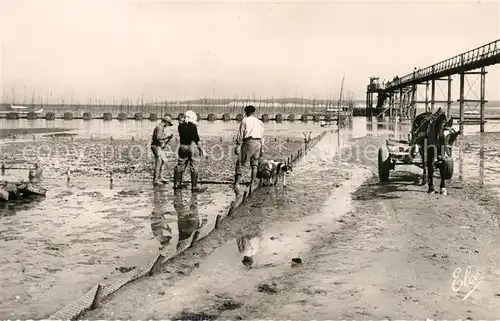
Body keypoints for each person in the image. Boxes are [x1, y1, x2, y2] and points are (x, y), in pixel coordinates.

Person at [173, 110, 207, 193]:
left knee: (181, 165)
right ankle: (194, 187)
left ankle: (177, 184)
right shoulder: (193, 126)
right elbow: (196, 139)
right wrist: (203, 151)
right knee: (194, 166)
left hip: (183, 146)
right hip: (192, 146)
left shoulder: (180, 126)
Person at [233, 105, 264, 189]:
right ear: (254, 112)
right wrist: (262, 148)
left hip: (249, 142)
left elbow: (241, 133)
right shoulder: (259, 122)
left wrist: (238, 145)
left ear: (247, 112)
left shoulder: (245, 120)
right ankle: (253, 182)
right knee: (254, 164)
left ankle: (237, 183)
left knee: (240, 162)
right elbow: (262, 135)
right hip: (258, 143)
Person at [151, 115, 174, 186]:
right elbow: (158, 138)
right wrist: (167, 137)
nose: (168, 125)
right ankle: (155, 180)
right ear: (166, 122)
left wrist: (167, 139)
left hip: (159, 146)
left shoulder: (161, 128)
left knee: (164, 160)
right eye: (168, 124)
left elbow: (160, 138)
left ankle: (160, 177)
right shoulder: (159, 127)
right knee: (159, 162)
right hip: (155, 146)